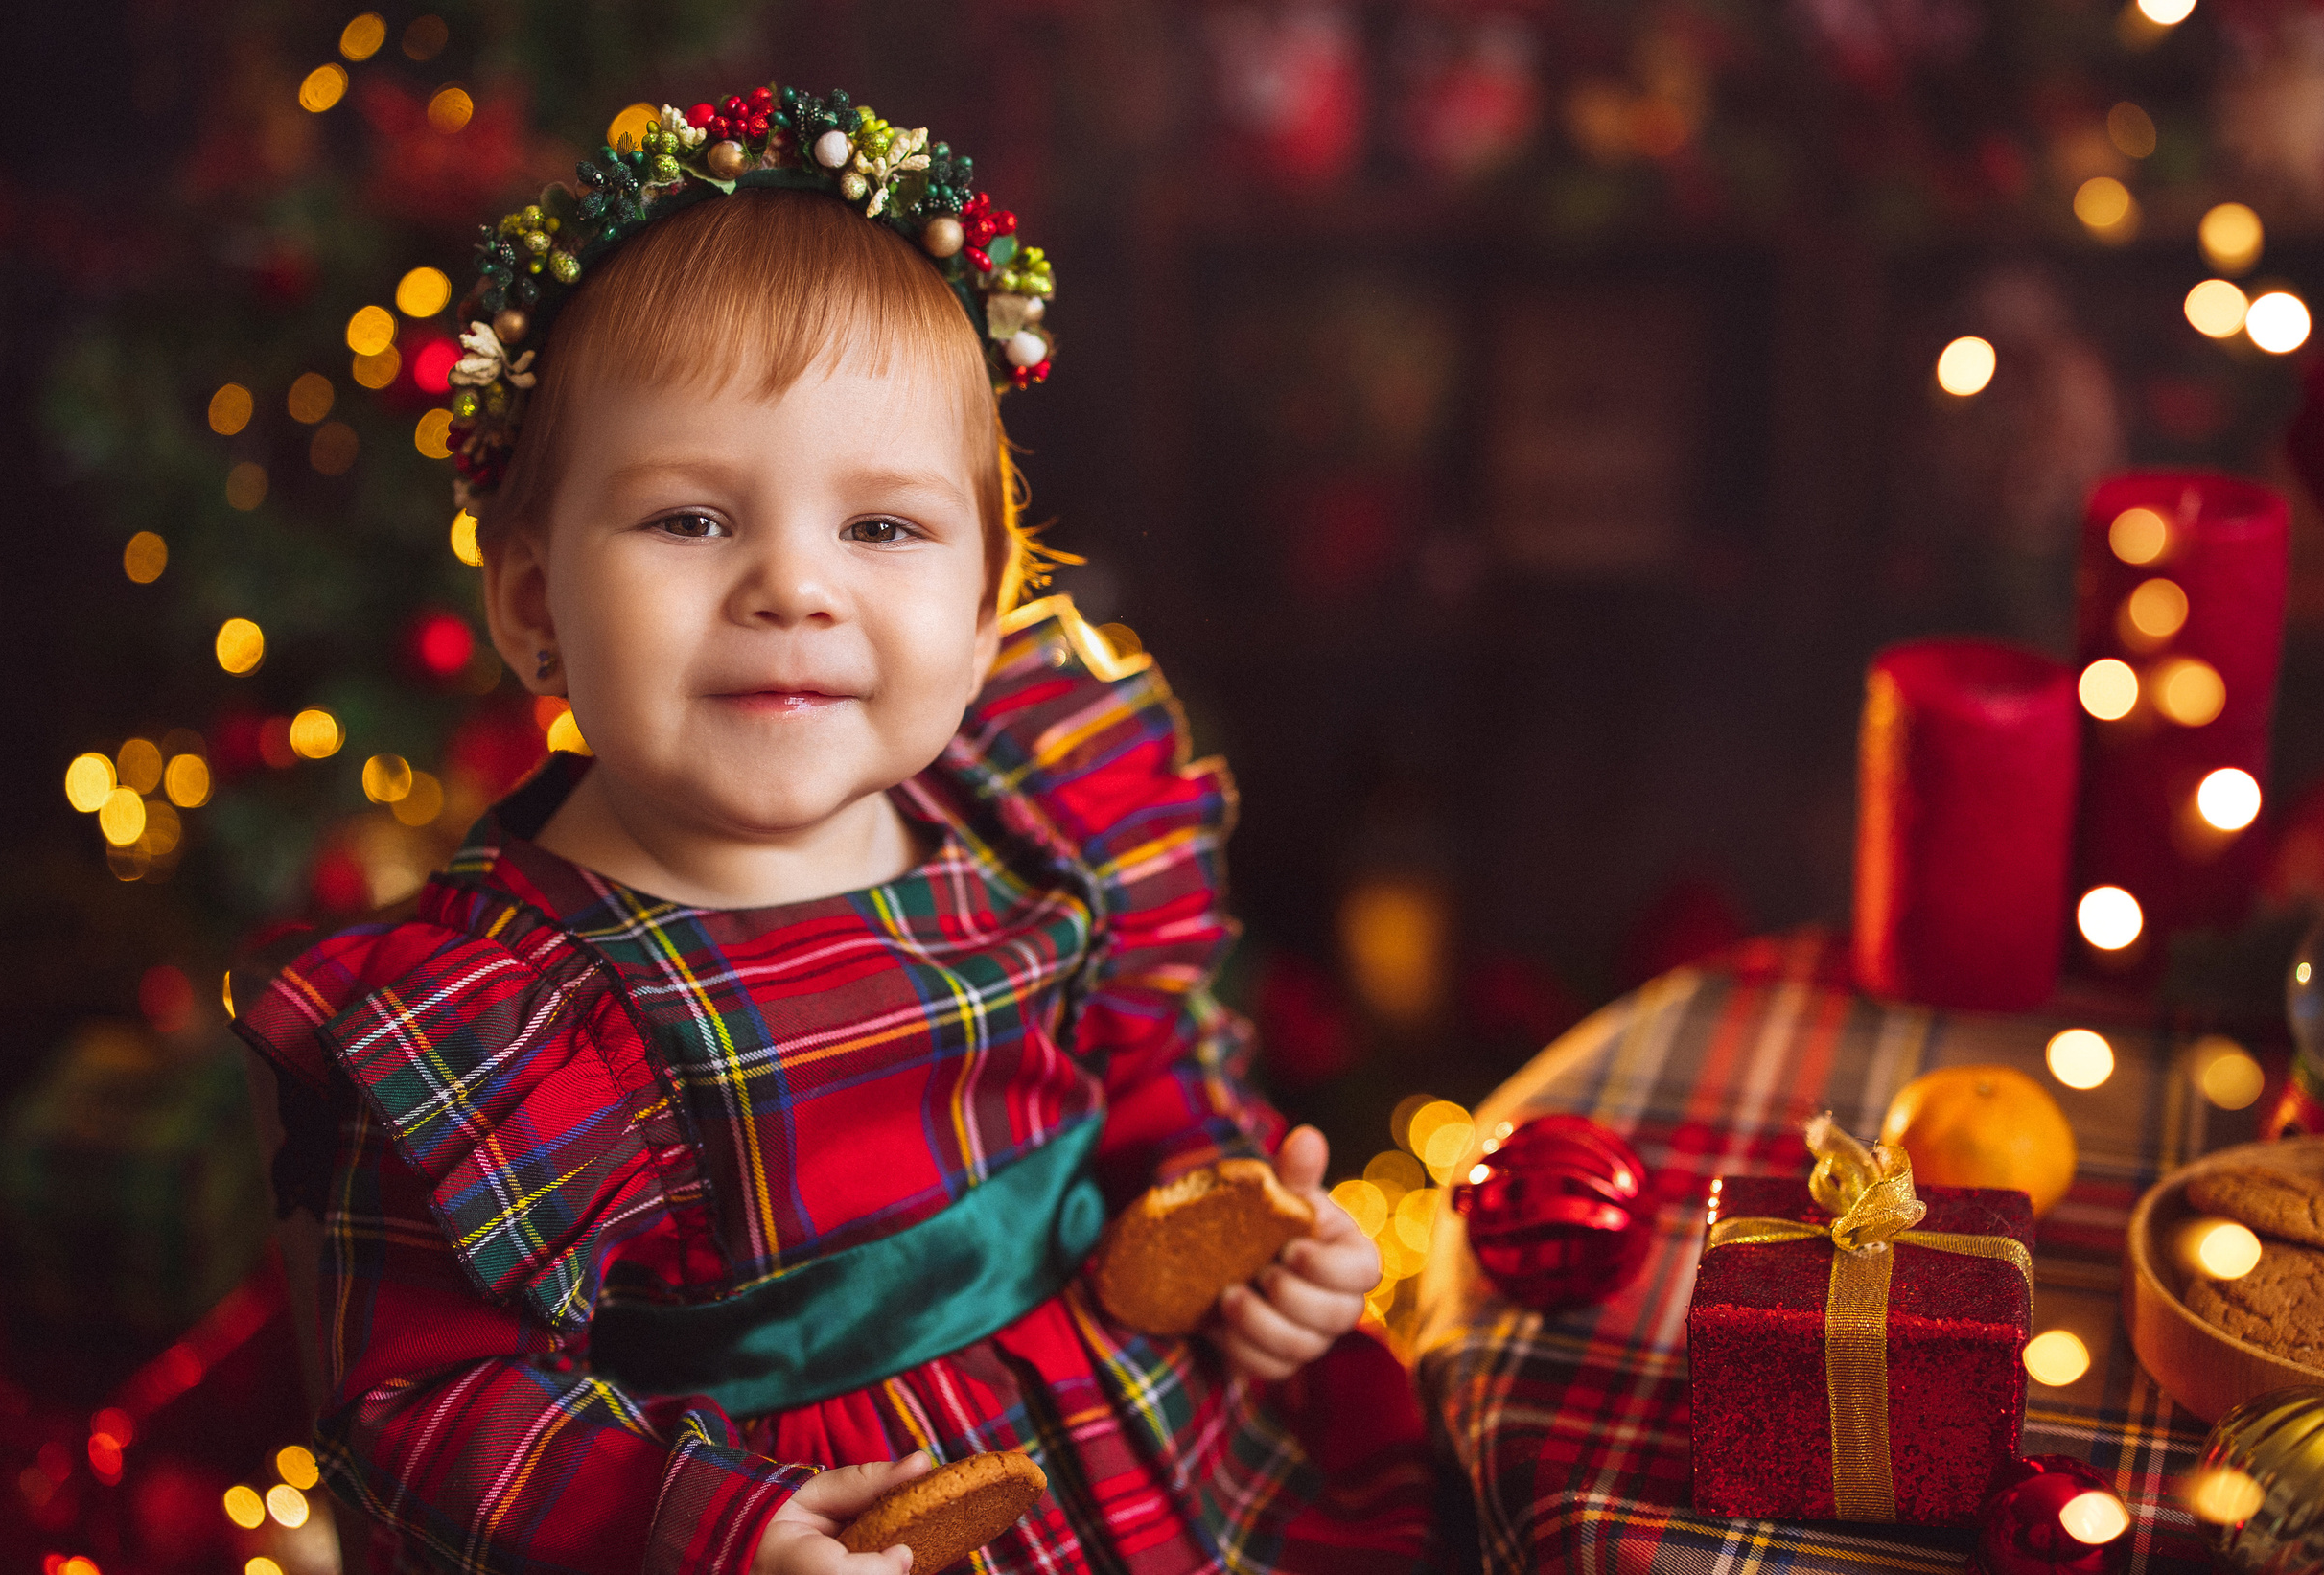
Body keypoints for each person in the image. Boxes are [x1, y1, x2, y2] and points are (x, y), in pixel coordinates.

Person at [233, 83, 1438, 1574]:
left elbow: (1153, 1082)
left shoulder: (1030, 824)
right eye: (690, 520)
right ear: (535, 605)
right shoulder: (502, 1020)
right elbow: (424, 1412)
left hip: (1147, 1474)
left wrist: (1254, 1238)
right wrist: (704, 1526)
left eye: (882, 527)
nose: (793, 587)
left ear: (988, 606)